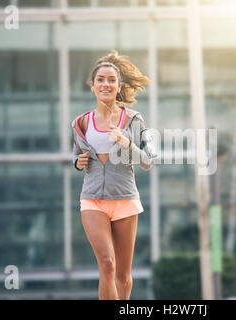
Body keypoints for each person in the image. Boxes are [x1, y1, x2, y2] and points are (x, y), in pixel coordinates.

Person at [71, 50, 156, 300]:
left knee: (123, 277)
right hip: (92, 200)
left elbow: (149, 161)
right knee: (106, 264)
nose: (105, 84)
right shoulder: (81, 123)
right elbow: (76, 155)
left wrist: (127, 142)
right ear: (92, 86)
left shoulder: (133, 120)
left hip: (125, 201)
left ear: (119, 86)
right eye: (100, 79)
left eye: (111, 80)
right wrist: (77, 162)